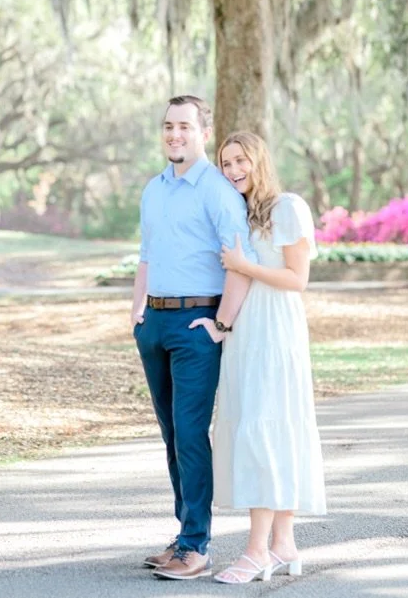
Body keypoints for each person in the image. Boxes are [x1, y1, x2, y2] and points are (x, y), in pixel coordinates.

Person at [192, 130, 326, 585]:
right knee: (264, 427)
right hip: (245, 334)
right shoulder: (241, 213)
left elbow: (297, 278)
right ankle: (283, 544)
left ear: (258, 160)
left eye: (240, 161)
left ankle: (255, 551)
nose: (232, 171)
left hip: (276, 332)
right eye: (226, 164)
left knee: (266, 430)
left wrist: (243, 265)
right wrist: (220, 325)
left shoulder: (287, 206)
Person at [133, 96, 256, 581]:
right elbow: (146, 255)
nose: (174, 134)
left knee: (189, 432)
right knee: (171, 434)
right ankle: (183, 535)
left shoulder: (218, 191)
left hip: (197, 324)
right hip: (155, 324)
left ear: (203, 130)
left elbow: (239, 263)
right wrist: (137, 312)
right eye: (167, 126)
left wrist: (220, 324)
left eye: (184, 126)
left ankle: (197, 546)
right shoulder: (153, 190)